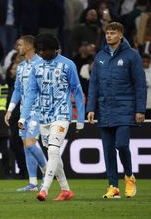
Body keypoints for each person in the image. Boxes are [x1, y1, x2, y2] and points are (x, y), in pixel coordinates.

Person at [20, 33, 85, 201]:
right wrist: (23, 116)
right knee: (53, 154)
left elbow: (77, 91)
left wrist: (80, 118)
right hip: (44, 116)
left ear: (54, 49)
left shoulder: (67, 65)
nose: (41, 54)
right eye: (39, 50)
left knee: (54, 149)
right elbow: (32, 93)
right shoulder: (37, 66)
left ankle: (44, 189)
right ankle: (65, 190)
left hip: (62, 113)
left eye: (44, 51)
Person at [87, 22, 146, 199]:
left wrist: (140, 109)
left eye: (113, 33)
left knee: (121, 144)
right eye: (107, 33)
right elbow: (93, 85)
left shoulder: (132, 56)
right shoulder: (100, 57)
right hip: (105, 109)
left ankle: (129, 177)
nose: (109, 36)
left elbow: (140, 85)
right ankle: (113, 186)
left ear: (121, 35)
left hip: (125, 108)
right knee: (108, 150)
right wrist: (91, 108)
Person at [5, 35, 47, 192]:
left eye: (20, 45)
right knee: (26, 145)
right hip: (23, 112)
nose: (18, 48)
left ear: (29, 46)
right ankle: (33, 182)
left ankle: (47, 171)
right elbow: (17, 90)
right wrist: (10, 110)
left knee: (30, 143)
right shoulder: (21, 66)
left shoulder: (42, 65)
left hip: (38, 111)